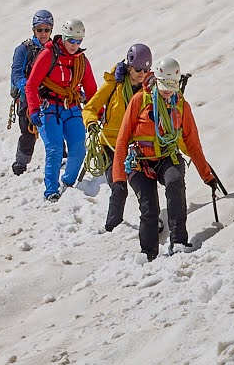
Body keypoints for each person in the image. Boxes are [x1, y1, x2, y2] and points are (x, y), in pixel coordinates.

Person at [111, 56, 219, 259]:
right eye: (164, 84)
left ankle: (178, 241)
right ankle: (148, 253)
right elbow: (122, 140)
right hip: (140, 162)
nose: (168, 89)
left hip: (168, 157)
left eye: (172, 85)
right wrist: (118, 180)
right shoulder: (140, 100)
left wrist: (207, 176)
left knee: (175, 182)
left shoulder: (181, 106)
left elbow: (192, 144)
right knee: (149, 208)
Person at [23, 18, 97, 202]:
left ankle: (68, 182)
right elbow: (31, 85)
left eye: (78, 41)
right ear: (64, 37)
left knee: (79, 148)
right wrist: (33, 110)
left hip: (71, 107)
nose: (74, 45)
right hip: (49, 108)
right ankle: (51, 190)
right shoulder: (48, 54)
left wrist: (98, 113)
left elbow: (91, 90)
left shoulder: (81, 61)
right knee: (54, 149)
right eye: (71, 40)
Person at [85, 42, 150, 232]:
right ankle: (112, 227)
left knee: (144, 187)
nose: (141, 73)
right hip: (110, 145)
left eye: (145, 69)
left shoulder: (149, 90)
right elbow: (90, 107)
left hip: (135, 147)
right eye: (138, 69)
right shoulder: (114, 84)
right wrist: (91, 123)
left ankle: (149, 222)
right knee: (118, 186)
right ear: (129, 66)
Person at [6, 10, 54, 176]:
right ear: (34, 30)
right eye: (40, 30)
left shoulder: (55, 50)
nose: (43, 33)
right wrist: (28, 86)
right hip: (27, 97)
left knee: (56, 126)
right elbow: (16, 73)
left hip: (50, 94)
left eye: (46, 30)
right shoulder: (23, 50)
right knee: (28, 131)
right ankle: (21, 163)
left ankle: (61, 157)